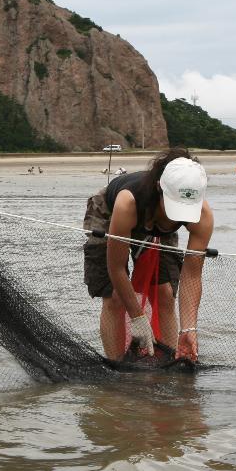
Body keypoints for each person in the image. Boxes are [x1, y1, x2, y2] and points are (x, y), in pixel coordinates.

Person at [83, 149, 213, 364]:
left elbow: (191, 275)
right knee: (115, 296)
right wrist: (137, 317)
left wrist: (189, 328)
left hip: (156, 226)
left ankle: (173, 358)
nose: (179, 217)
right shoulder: (128, 202)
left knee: (164, 292)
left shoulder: (203, 216)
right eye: (175, 208)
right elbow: (115, 268)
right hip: (109, 212)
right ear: (159, 188)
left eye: (185, 210)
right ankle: (117, 366)